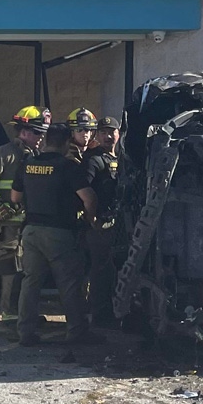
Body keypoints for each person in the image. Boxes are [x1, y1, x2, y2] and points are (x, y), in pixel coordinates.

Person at [11, 123, 102, 347]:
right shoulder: (67, 166)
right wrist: (90, 220)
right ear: (66, 142)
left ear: (45, 140)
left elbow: (15, 198)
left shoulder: (28, 164)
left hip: (31, 231)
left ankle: (26, 333)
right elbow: (89, 198)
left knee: (31, 283)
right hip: (59, 232)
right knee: (69, 284)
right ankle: (76, 331)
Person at [0, 106, 47, 324]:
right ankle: (10, 313)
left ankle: (25, 313)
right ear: (23, 131)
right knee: (11, 268)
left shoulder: (36, 157)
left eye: (43, 133)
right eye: (37, 133)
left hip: (28, 224)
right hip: (6, 225)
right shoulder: (3, 154)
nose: (41, 138)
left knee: (29, 269)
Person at [82, 116, 120, 327]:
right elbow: (83, 191)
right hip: (99, 225)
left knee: (112, 270)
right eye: (103, 132)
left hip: (117, 224)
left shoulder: (121, 159)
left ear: (118, 134)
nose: (108, 136)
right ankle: (98, 314)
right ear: (97, 135)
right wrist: (92, 219)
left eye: (111, 132)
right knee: (100, 270)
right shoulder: (93, 160)